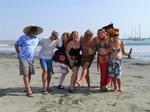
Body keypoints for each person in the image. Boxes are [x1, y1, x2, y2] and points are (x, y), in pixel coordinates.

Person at [15, 25, 43, 97]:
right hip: (23, 58)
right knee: (26, 74)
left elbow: (45, 42)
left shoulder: (36, 39)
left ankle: (27, 87)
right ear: (29, 31)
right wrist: (18, 53)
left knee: (29, 73)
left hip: (31, 59)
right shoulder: (23, 37)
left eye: (35, 31)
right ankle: (28, 91)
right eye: (32, 30)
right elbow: (16, 44)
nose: (34, 32)